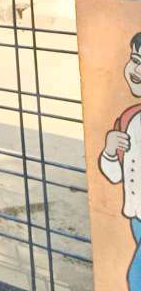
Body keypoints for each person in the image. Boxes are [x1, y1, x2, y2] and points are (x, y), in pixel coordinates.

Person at [99, 31, 141, 291]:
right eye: (135, 60)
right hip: (136, 215)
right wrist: (109, 151)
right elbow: (117, 175)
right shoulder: (129, 118)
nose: (137, 70)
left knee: (137, 276)